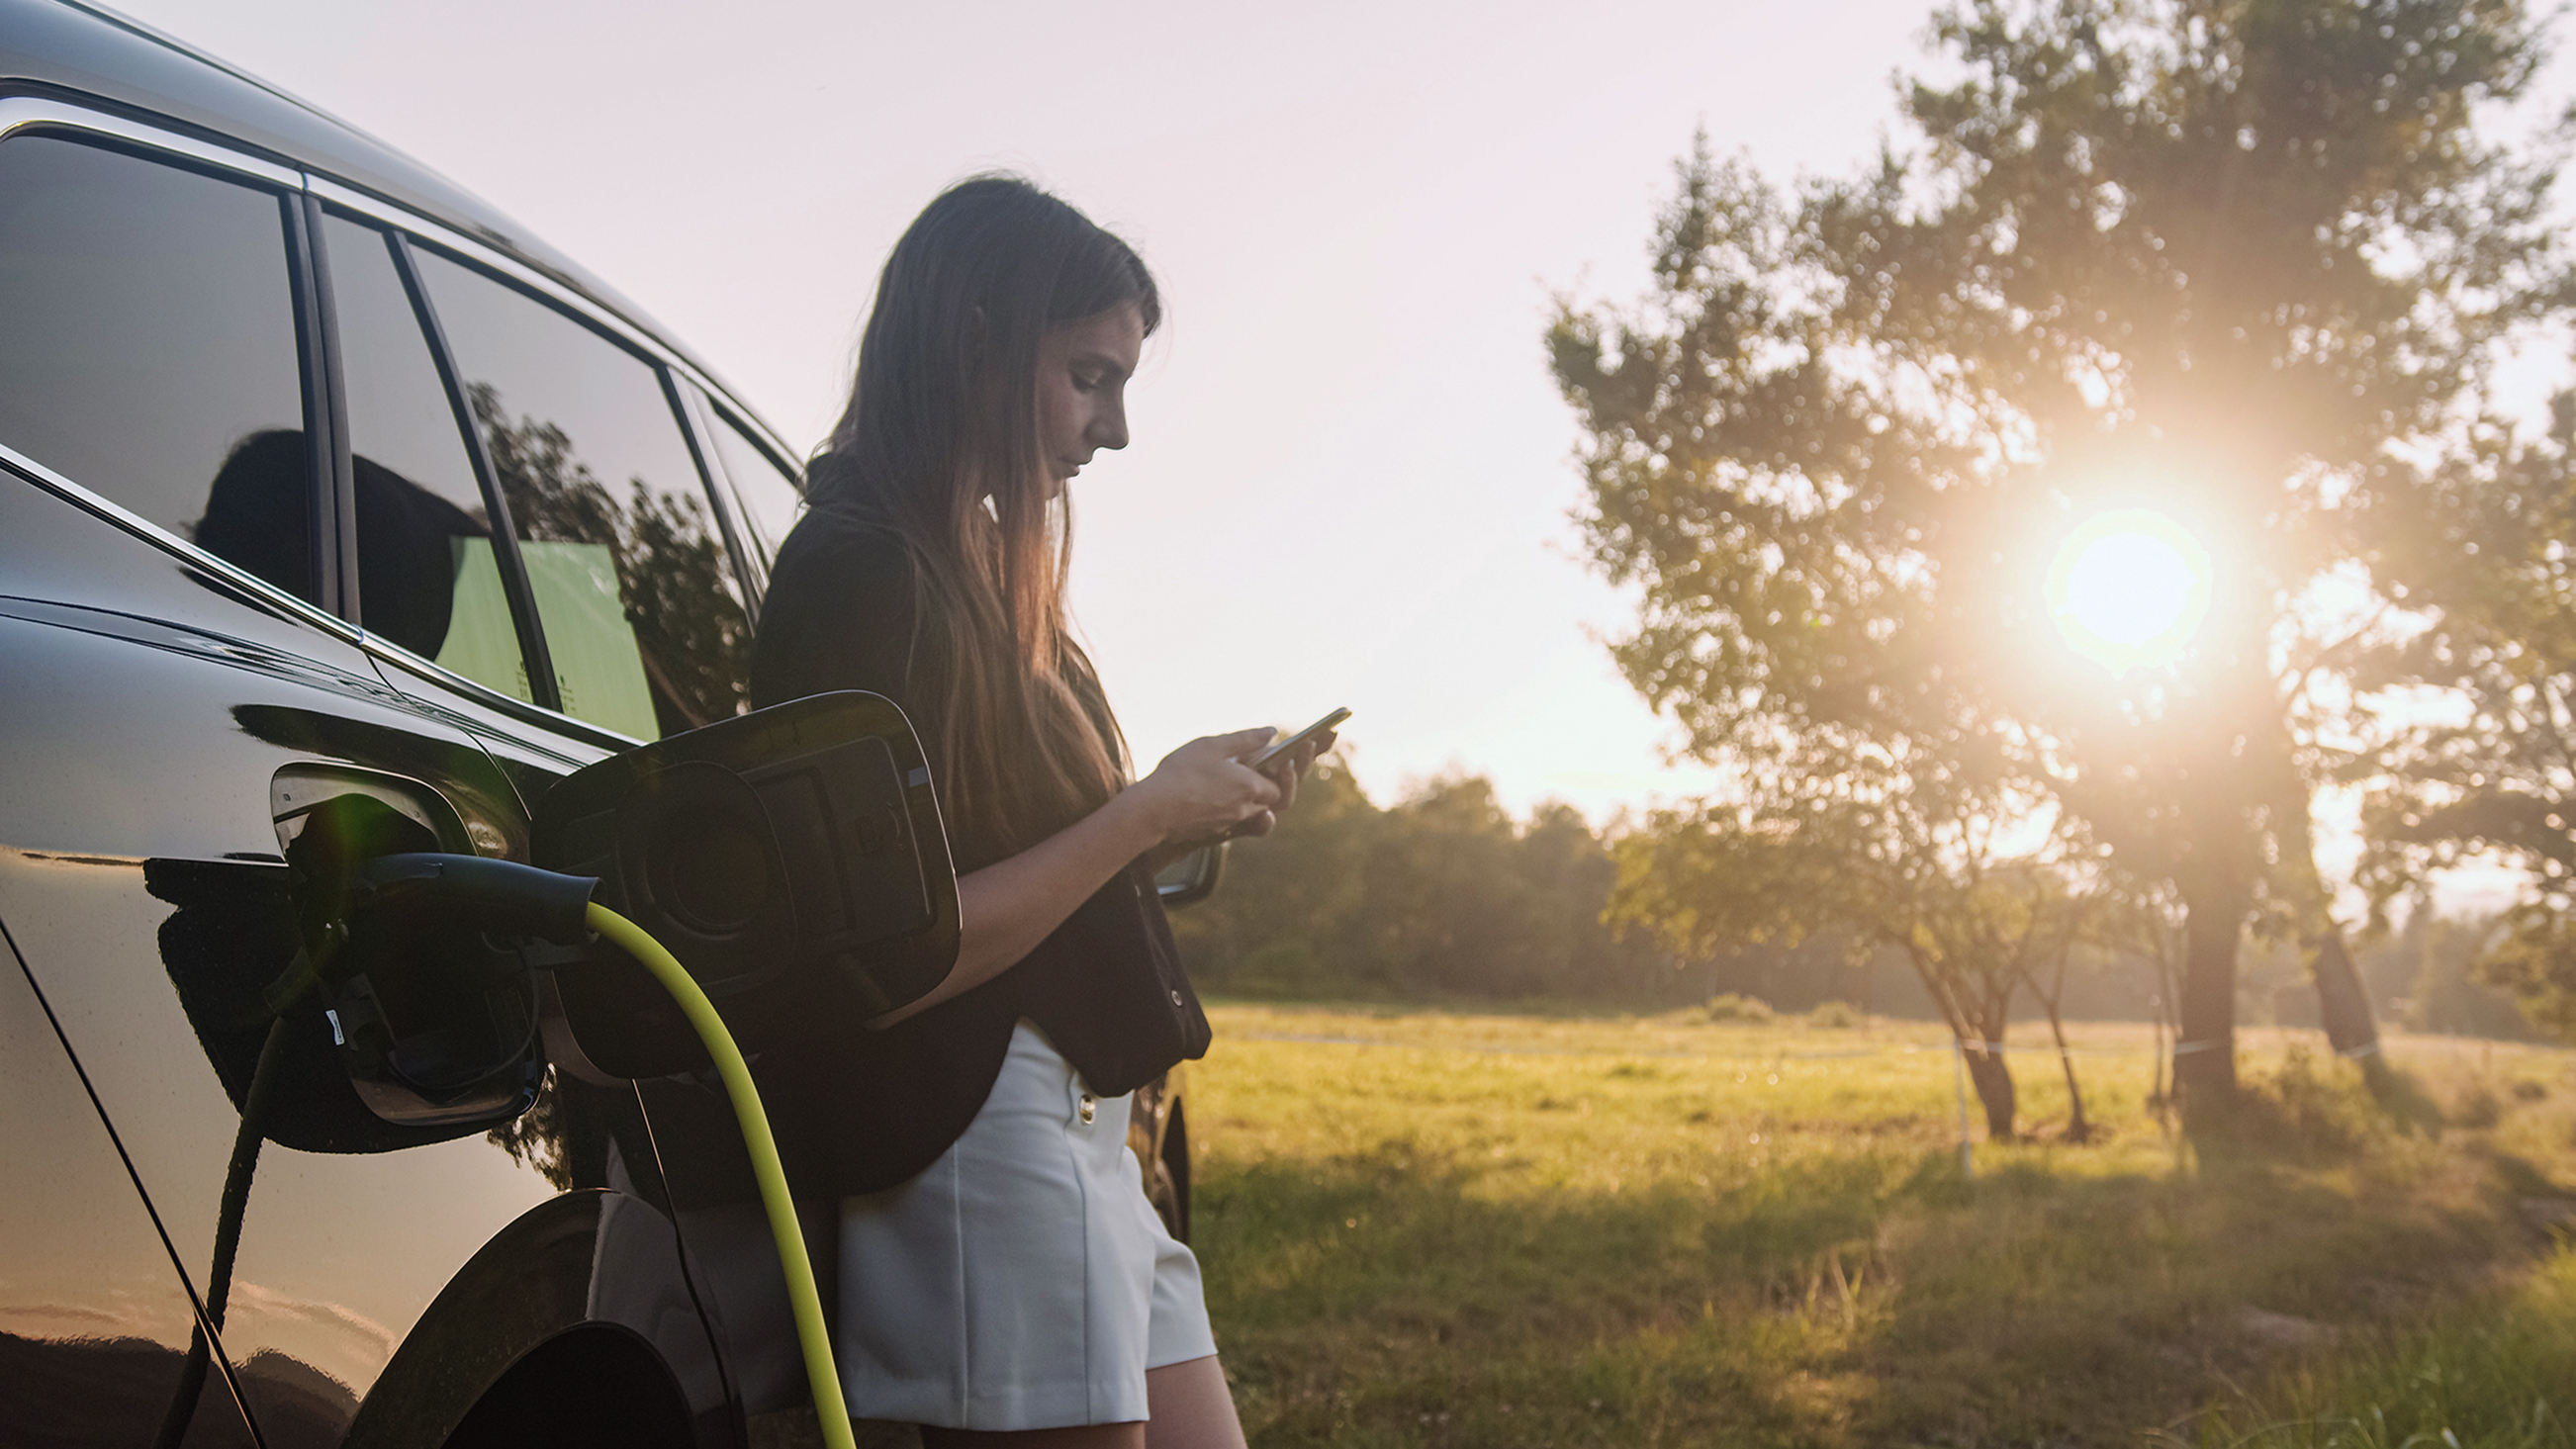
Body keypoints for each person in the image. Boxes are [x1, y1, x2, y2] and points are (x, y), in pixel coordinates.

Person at [748, 176, 1329, 1449]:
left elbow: (1015, 854)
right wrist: (1138, 814)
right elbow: (887, 962)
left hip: (1084, 1133)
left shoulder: (980, 574)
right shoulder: (862, 573)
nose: (1113, 429)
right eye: (1089, 377)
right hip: (981, 1132)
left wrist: (1171, 810)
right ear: (976, 338)